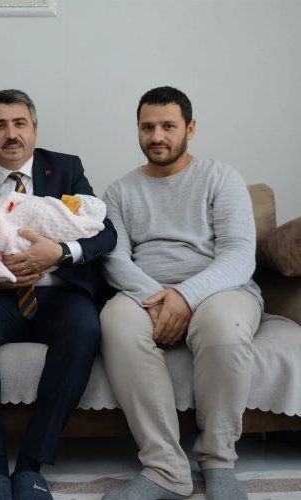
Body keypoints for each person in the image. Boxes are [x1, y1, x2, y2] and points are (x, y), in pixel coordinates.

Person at [0, 89, 117, 499]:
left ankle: (30, 467)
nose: (11, 134)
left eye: (19, 123)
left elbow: (104, 232)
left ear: (34, 130)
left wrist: (60, 253)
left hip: (60, 295)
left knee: (84, 326)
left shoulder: (66, 168)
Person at [100, 86, 263, 500]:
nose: (157, 136)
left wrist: (185, 297)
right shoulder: (119, 191)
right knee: (114, 322)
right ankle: (166, 469)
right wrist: (159, 298)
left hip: (220, 288)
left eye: (168, 126)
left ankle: (218, 460)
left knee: (224, 329)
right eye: (147, 127)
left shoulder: (221, 177)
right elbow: (114, 259)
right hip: (145, 292)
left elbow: (239, 254)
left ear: (189, 128)